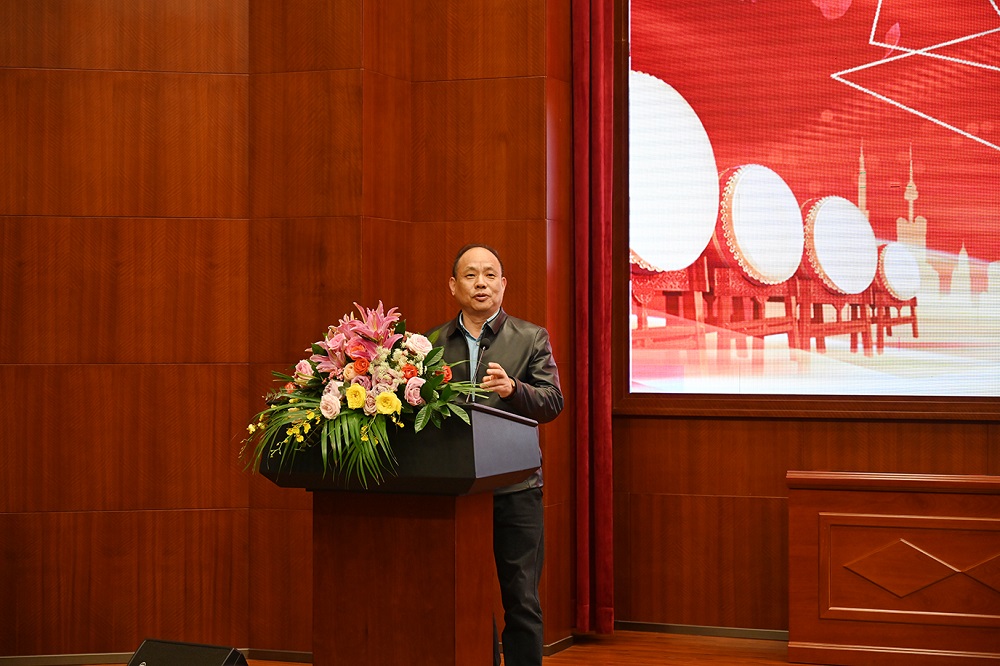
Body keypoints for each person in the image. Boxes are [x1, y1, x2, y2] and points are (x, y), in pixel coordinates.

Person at [428, 243, 564, 666]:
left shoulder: (530, 337)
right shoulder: (430, 344)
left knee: (521, 598)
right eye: (470, 275)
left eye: (489, 275)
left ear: (503, 285)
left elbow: (552, 402)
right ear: (453, 286)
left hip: (516, 489)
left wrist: (513, 389)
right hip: (457, 492)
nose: (480, 283)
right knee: (466, 595)